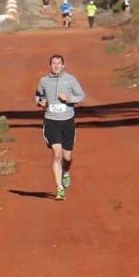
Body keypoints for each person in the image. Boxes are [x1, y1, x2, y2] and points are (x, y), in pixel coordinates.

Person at [34, 54, 86, 200]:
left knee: (67, 156)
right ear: (50, 65)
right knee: (56, 153)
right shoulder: (43, 81)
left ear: (63, 65)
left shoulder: (71, 80)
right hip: (51, 121)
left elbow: (82, 97)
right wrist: (40, 102)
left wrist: (69, 99)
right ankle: (59, 188)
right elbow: (38, 96)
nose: (56, 66)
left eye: (58, 63)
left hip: (67, 121)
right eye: (53, 63)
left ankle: (66, 172)